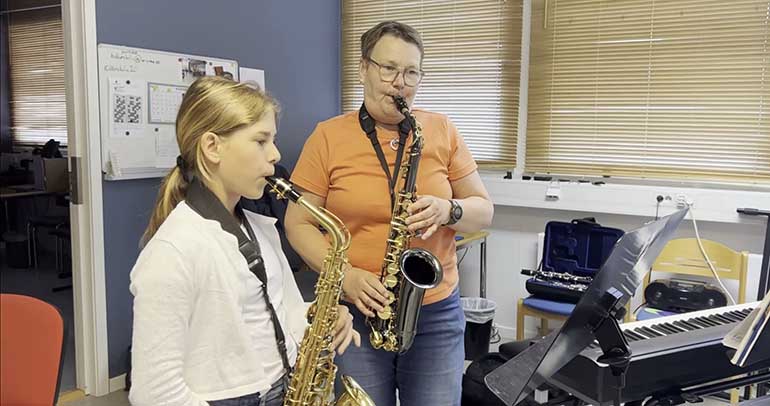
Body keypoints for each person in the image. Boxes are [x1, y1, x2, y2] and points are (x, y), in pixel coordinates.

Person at [285, 21, 494, 406]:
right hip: (356, 312)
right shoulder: (328, 136)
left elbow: (483, 212)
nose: (401, 83)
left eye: (411, 72)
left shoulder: (441, 129)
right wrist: (346, 277)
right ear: (364, 68)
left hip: (435, 314)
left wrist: (448, 209)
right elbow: (298, 223)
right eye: (389, 69)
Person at [129, 76, 359, 406]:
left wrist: (318, 315)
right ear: (212, 147)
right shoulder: (173, 250)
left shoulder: (257, 227)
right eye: (261, 141)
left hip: (281, 386)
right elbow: (155, 393)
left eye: (273, 140)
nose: (275, 154)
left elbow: (270, 313)